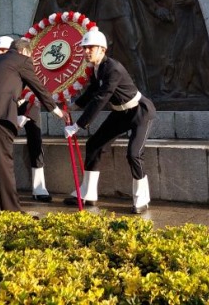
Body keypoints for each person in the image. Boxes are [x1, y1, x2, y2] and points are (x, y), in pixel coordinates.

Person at [0, 38, 65, 212]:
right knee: (3, 164)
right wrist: (58, 112)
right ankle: (11, 212)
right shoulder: (22, 60)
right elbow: (39, 89)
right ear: (24, 52)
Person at [63, 30, 156, 214]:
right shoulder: (96, 68)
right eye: (84, 48)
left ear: (102, 49)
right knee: (94, 144)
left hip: (139, 111)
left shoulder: (112, 68)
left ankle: (142, 198)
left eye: (91, 47)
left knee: (134, 154)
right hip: (120, 113)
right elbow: (92, 91)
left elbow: (101, 98)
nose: (86, 51)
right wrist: (74, 106)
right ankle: (88, 193)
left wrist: (77, 126)